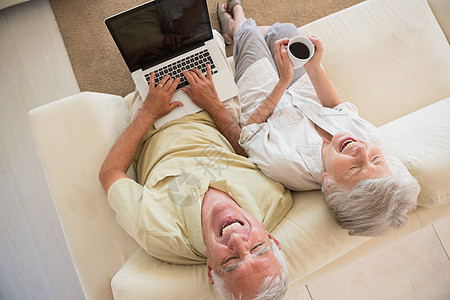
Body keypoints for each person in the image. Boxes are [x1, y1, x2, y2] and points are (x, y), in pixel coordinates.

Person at [183, 0, 420, 237]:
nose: (361, 151)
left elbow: (250, 130)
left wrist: (283, 81)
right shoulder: (371, 138)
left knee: (249, 33)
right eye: (376, 160)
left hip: (262, 95)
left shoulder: (285, 164)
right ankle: (244, 31)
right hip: (304, 91)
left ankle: (236, 20)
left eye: (355, 168)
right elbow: (337, 107)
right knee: (285, 31)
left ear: (328, 184)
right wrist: (314, 67)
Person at [99, 33, 292, 300]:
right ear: (273, 241)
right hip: (216, 111)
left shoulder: (158, 231)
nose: (237, 240)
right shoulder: (275, 198)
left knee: (152, 43)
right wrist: (212, 103)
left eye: (231, 262)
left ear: (211, 271)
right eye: (259, 248)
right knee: (204, 36)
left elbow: (110, 173)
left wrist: (148, 113)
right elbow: (244, 146)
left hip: (157, 122)